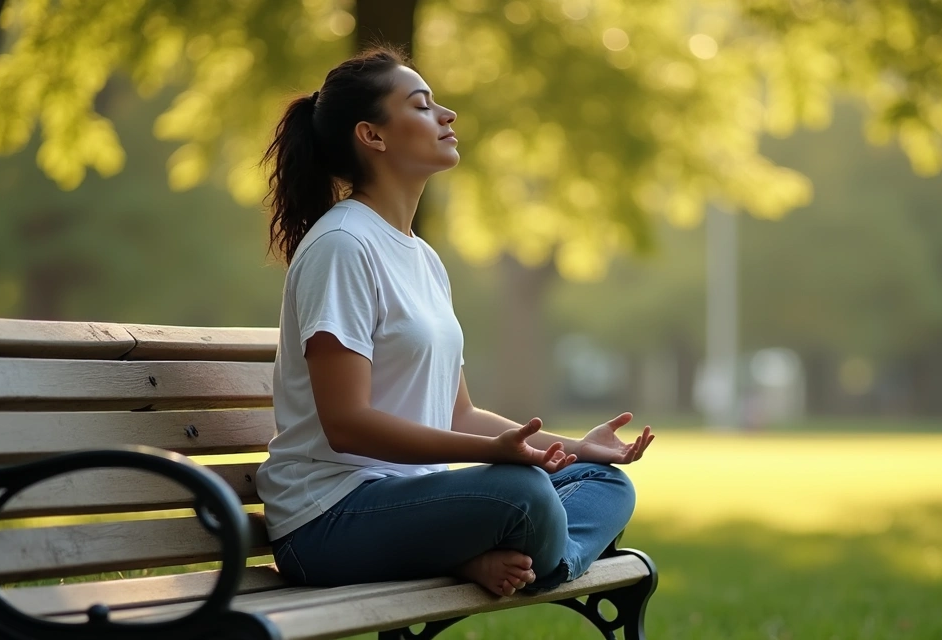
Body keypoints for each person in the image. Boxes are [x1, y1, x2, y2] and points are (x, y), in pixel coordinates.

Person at [254, 47, 654, 598]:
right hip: (330, 518)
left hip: (416, 503)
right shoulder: (342, 246)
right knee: (526, 494)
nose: (448, 115)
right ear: (373, 136)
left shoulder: (422, 258)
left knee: (604, 481)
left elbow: (458, 413)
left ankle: (498, 556)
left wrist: (576, 449)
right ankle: (520, 560)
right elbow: (346, 423)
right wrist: (496, 457)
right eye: (422, 105)